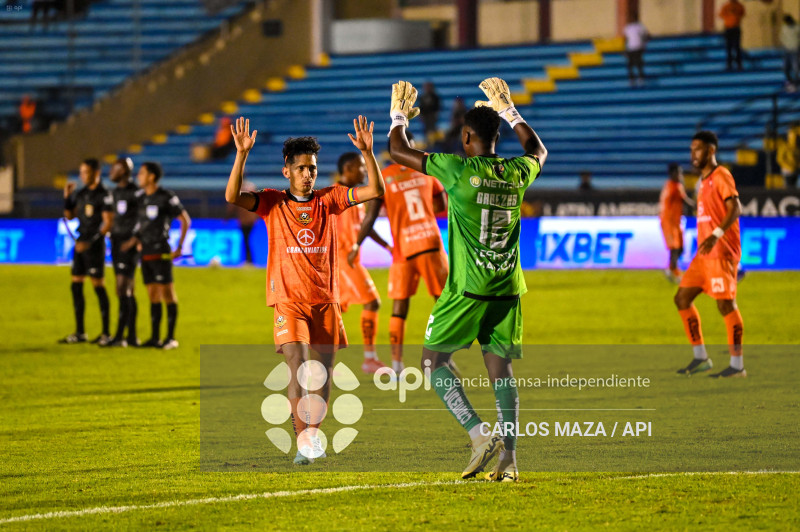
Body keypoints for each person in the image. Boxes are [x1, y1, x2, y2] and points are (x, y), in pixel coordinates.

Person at [389, 78, 547, 482]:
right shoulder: (516, 172)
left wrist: (398, 116)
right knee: (501, 370)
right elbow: (538, 150)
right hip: (508, 289)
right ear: (496, 136)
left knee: (431, 361)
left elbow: (397, 150)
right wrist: (510, 110)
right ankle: (509, 459)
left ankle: (479, 434)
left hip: (468, 290)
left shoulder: (458, 168)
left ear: (465, 136)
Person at [224, 116, 385, 465]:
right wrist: (241, 155)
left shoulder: (331, 199)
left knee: (323, 375)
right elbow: (232, 195)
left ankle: (314, 433)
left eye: (311, 168)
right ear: (287, 172)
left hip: (326, 301)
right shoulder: (272, 202)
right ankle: (304, 441)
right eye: (300, 168)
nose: (307, 174)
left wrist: (369, 153)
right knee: (298, 367)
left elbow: (376, 192)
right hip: (289, 302)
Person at [352, 130, 449, 375]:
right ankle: (440, 359)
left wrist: (356, 245)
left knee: (399, 308)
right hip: (430, 244)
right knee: (444, 304)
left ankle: (396, 365)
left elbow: (370, 217)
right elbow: (442, 206)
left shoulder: (383, 178)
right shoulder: (428, 171)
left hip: (403, 250)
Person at [674, 131, 745, 378]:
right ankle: (701, 357)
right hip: (704, 255)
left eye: (699, 149)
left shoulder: (721, 174)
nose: (694, 154)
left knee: (725, 305)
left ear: (711, 151)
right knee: (682, 298)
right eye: (692, 149)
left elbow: (735, 206)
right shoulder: (702, 181)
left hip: (721, 250)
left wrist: (715, 234)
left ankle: (737, 366)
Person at [122, 162, 191, 350]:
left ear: (151, 176)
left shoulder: (165, 197)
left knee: (167, 293)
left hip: (161, 251)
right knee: (152, 294)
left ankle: (170, 338)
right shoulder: (141, 198)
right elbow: (142, 225)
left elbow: (185, 220)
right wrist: (134, 241)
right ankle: (154, 338)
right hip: (145, 252)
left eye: (142, 173)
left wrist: (179, 247)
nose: (138, 176)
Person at [334, 151, 391, 374]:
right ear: (347, 169)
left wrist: (387, 246)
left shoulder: (353, 197)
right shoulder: (336, 196)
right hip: (343, 260)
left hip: (348, 259)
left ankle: (313, 360)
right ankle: (369, 359)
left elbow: (364, 227)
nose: (364, 171)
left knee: (333, 312)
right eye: (360, 166)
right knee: (372, 301)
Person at [59, 158, 114, 345]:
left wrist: (90, 242)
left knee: (98, 286)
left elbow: (108, 222)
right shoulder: (81, 193)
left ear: (96, 173)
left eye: (86, 172)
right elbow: (69, 215)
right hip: (80, 243)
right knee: (76, 285)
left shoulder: (104, 195)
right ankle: (80, 332)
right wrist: (67, 197)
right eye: (81, 172)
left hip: (94, 245)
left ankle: (106, 332)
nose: (82, 176)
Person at [107, 157, 141, 347]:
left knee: (123, 288)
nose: (111, 171)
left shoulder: (135, 192)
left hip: (128, 244)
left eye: (115, 168)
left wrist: (134, 239)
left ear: (124, 171)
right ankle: (131, 336)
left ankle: (121, 336)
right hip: (117, 243)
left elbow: (141, 217)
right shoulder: (116, 192)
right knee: (124, 290)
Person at [659, 163, 693, 283]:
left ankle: (670, 268)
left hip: (673, 221)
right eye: (678, 173)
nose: (681, 175)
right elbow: (685, 201)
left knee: (680, 248)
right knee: (675, 248)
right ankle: (677, 274)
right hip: (669, 221)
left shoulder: (668, 185)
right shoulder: (675, 186)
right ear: (672, 174)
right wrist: (699, 206)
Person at [623, 12, 649, 87]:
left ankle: (641, 78)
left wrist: (644, 45)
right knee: (630, 64)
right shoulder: (628, 27)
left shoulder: (640, 27)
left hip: (638, 47)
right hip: (631, 47)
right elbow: (626, 38)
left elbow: (646, 36)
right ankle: (632, 79)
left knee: (638, 63)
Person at [719, 0, 745, 71]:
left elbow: (742, 14)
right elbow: (721, 15)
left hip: (736, 28)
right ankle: (729, 64)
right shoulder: (726, 6)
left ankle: (739, 63)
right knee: (729, 46)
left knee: (737, 46)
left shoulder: (739, 6)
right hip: (728, 28)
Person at [780, 15, 800, 89]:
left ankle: (797, 82)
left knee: (795, 68)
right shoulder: (784, 28)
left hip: (795, 49)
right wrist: (784, 45)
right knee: (785, 68)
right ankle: (790, 81)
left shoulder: (797, 27)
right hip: (787, 50)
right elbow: (782, 37)